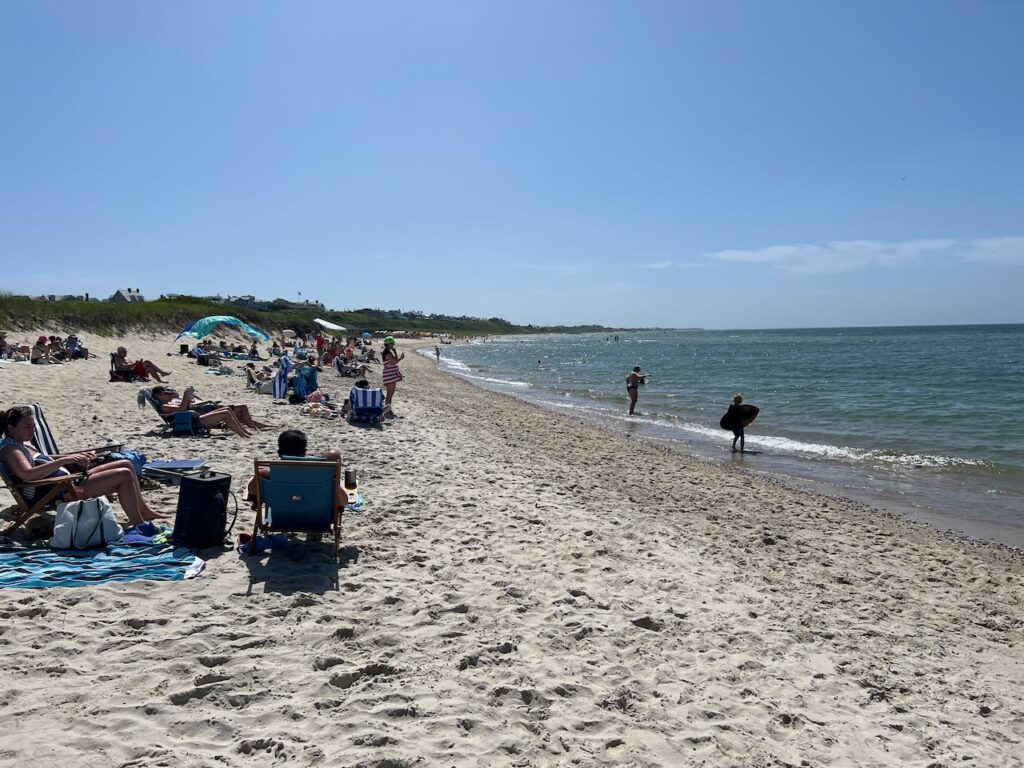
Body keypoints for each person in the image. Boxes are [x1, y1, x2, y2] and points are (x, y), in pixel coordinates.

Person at [0, 405, 167, 525]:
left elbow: (43, 457)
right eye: (27, 426)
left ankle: (144, 511)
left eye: (33, 426)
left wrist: (72, 457)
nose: (32, 431)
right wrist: (63, 461)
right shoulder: (11, 450)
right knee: (123, 474)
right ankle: (138, 522)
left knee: (125, 463)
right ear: (11, 427)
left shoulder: (19, 443)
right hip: (59, 491)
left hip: (65, 482)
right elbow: (27, 475)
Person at [245, 429, 349, 510]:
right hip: (316, 519)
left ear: (279, 452)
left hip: (281, 519)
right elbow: (343, 501)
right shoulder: (321, 475)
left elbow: (251, 491)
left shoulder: (265, 475)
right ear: (304, 452)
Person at [150, 385, 263, 438]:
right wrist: (185, 395)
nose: (169, 394)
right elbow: (182, 410)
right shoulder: (164, 406)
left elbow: (187, 407)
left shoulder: (170, 403)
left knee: (227, 409)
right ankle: (243, 434)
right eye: (167, 393)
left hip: (195, 417)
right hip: (194, 423)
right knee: (224, 413)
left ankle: (244, 432)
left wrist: (189, 397)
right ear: (159, 396)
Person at [380, 336, 405, 409]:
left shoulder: (387, 352)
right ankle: (387, 409)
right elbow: (396, 361)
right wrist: (400, 357)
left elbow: (395, 361)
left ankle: (388, 408)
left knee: (390, 394)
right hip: (389, 375)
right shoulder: (388, 353)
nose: (393, 345)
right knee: (389, 394)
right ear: (389, 344)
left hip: (390, 374)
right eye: (392, 344)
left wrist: (395, 353)